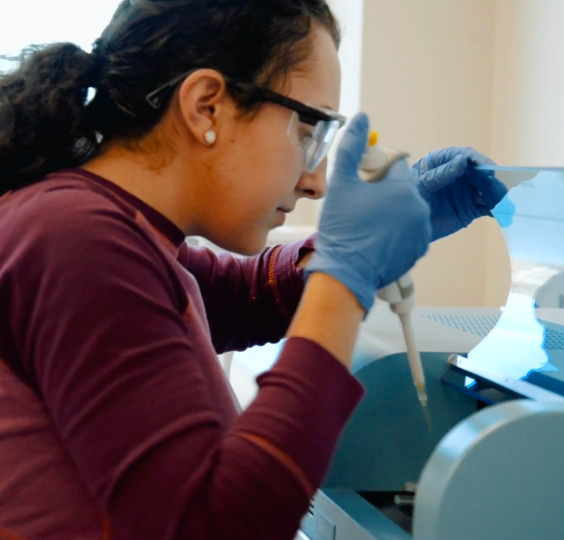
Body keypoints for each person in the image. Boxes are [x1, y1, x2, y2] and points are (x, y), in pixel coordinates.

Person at [0, 1, 505, 539]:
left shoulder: (109, 228)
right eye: (309, 130)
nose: (316, 181)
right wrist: (345, 273)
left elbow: (232, 297)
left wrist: (367, 241)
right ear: (206, 107)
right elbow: (214, 526)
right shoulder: (78, 240)